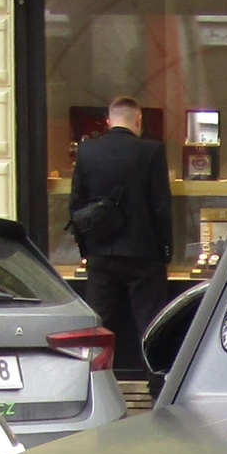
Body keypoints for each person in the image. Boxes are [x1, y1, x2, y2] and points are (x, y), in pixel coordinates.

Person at [69, 96, 174, 376]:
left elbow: (75, 205)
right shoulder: (152, 151)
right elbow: (161, 205)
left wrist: (86, 250)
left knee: (98, 326)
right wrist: (166, 250)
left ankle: (94, 383)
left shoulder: (88, 151)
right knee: (151, 326)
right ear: (139, 120)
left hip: (101, 254)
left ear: (108, 121)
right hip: (144, 254)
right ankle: (157, 387)